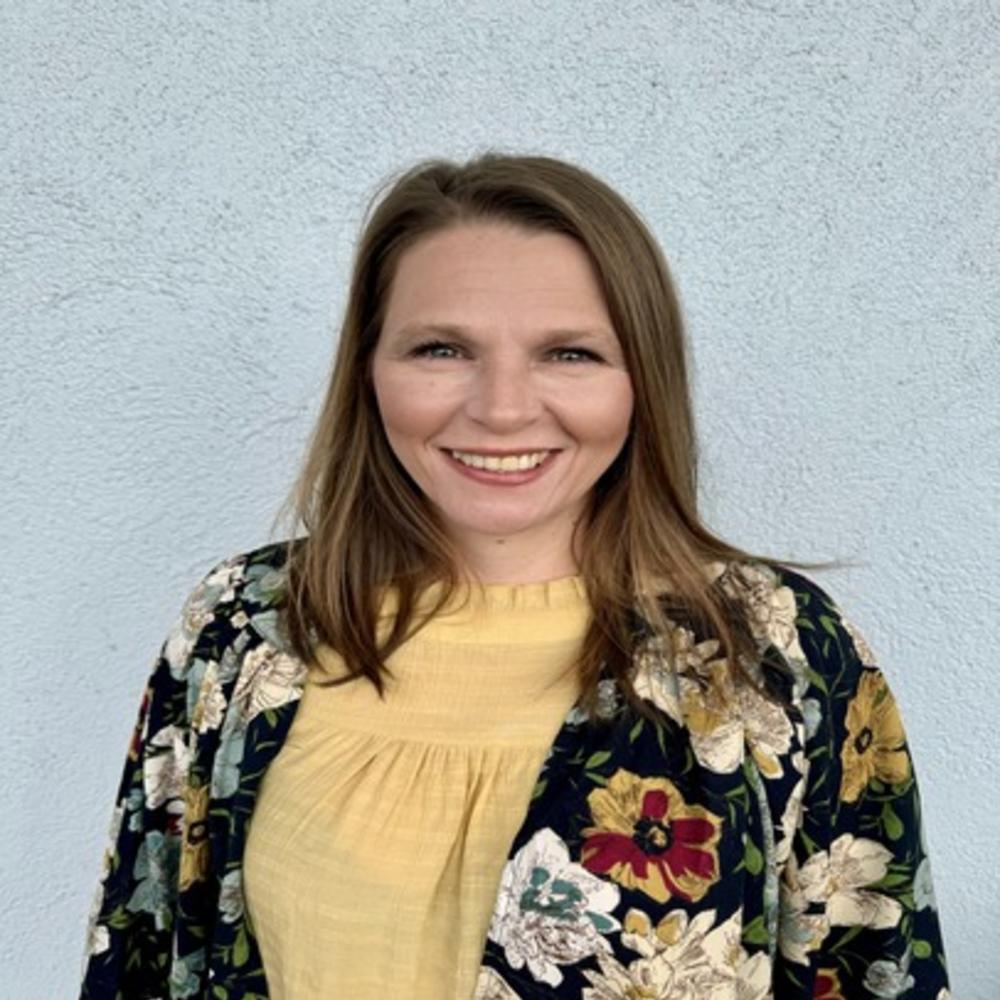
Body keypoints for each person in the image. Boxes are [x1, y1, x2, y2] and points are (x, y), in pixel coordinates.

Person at [80, 152, 950, 999]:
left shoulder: (775, 649)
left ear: (641, 380)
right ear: (369, 371)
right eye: (440, 350)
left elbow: (874, 970)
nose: (501, 409)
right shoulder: (249, 625)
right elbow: (142, 952)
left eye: (569, 353)